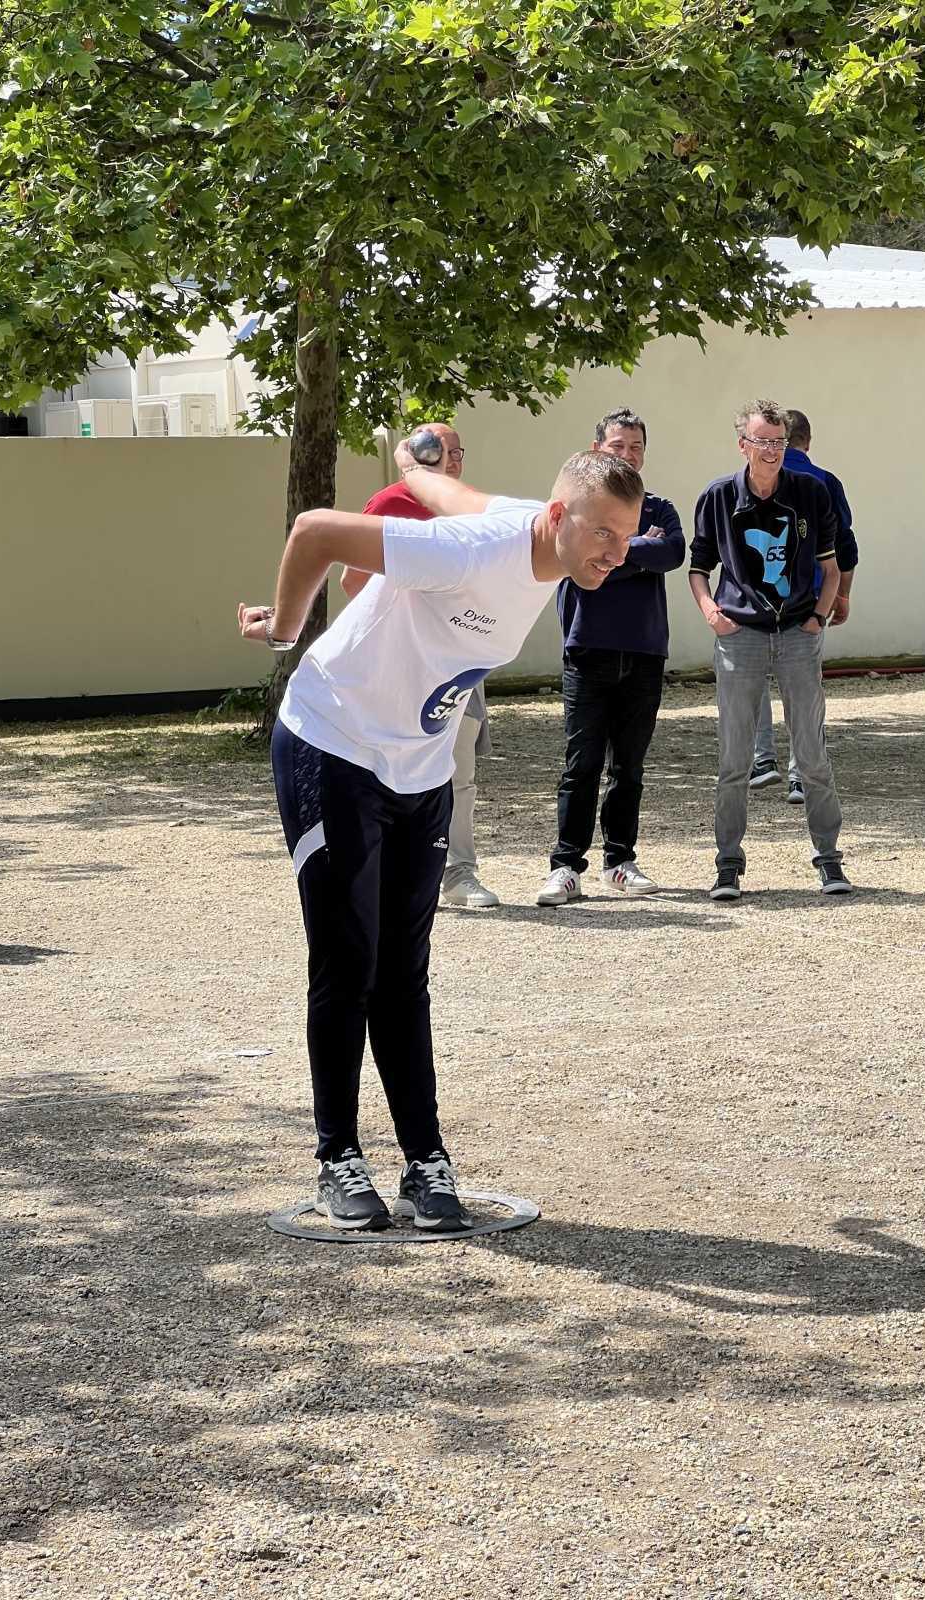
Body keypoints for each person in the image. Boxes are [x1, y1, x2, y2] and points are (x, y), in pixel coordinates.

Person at [238, 448, 643, 1231]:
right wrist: (285, 632)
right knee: (348, 958)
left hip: (419, 769)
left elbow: (448, 488)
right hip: (333, 742)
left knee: (403, 969)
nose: (616, 553)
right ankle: (337, 1158)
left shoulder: (536, 531)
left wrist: (406, 463)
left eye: (627, 538)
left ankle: (425, 1162)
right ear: (559, 517)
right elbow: (315, 531)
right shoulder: (470, 551)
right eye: (604, 534)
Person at [689, 400, 851, 901]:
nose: (772, 450)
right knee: (735, 758)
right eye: (763, 442)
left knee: (812, 753)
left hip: (798, 633)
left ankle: (829, 858)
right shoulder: (718, 496)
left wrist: (818, 617)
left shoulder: (810, 491)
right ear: (743, 445)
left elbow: (831, 566)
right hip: (741, 635)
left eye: (779, 442)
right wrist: (711, 613)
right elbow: (698, 567)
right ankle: (728, 865)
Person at [341, 422, 499, 910]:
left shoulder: (468, 509)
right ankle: (396, 870)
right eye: (439, 451)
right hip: (404, 663)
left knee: (459, 770)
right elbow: (352, 582)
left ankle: (459, 872)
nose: (451, 461)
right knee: (392, 765)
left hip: (460, 659)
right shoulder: (391, 503)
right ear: (415, 455)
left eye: (457, 452)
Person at [537, 408, 685, 905]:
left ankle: (619, 861)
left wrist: (615, 551)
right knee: (581, 764)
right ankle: (565, 866)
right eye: (618, 446)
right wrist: (639, 549)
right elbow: (578, 567)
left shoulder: (659, 507)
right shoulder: (573, 510)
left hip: (645, 650)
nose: (628, 455)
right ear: (597, 449)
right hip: (588, 648)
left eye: (636, 447)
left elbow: (672, 553)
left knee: (629, 767)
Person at [750, 408, 859, 804]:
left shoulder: (752, 479)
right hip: (810, 599)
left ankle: (762, 759)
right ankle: (800, 776)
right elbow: (845, 546)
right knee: (804, 689)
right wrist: (842, 595)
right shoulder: (825, 482)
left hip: (758, 596)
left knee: (754, 680)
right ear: (808, 442)